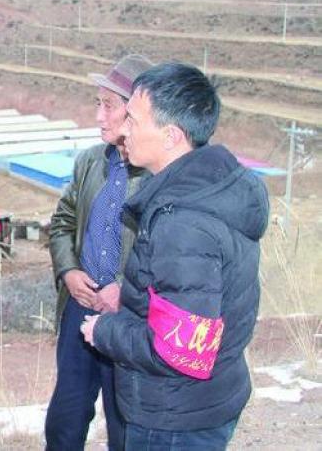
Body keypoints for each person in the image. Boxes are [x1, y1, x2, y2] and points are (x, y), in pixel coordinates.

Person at [81, 63, 269, 450]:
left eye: (133, 120)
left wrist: (104, 331)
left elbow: (181, 350)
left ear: (171, 136)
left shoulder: (183, 223)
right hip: (205, 400)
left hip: (174, 415)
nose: (123, 130)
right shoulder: (206, 189)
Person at [45, 54, 153, 450]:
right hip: (80, 305)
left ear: (138, 112)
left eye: (109, 106)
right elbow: (62, 222)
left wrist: (124, 288)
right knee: (66, 417)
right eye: (98, 103)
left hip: (127, 316)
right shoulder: (91, 161)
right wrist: (69, 271)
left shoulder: (159, 175)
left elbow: (163, 251)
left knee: (125, 421)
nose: (99, 116)